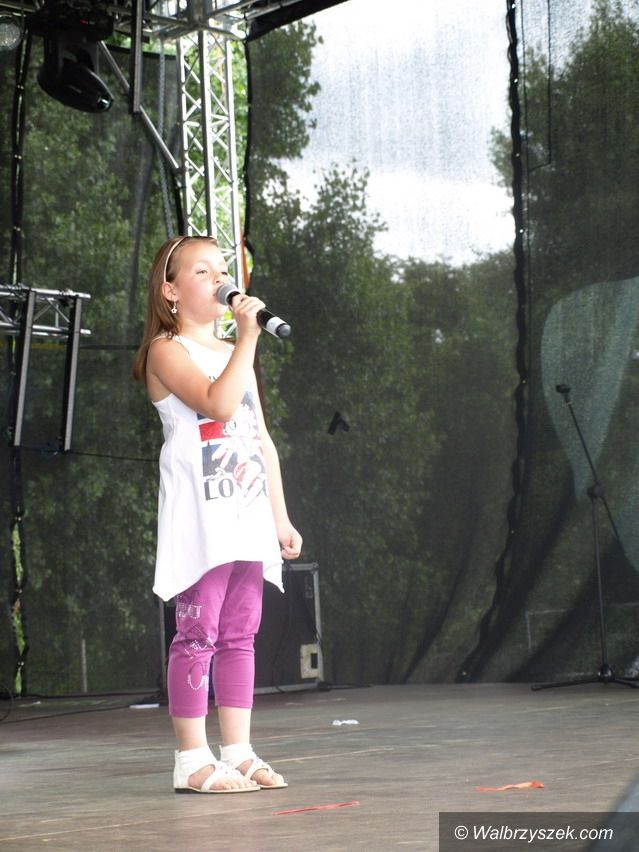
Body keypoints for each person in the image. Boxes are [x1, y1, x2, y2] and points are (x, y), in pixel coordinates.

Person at [133, 235, 302, 794]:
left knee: (240, 635)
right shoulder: (165, 350)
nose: (219, 280)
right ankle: (191, 758)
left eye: (222, 270)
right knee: (198, 632)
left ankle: (239, 750)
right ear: (171, 290)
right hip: (201, 517)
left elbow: (260, 439)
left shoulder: (235, 351)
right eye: (202, 272)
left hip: (247, 513)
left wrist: (280, 517)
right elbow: (217, 405)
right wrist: (248, 338)